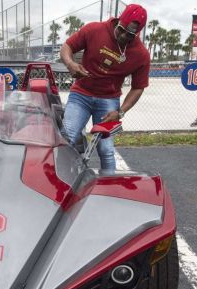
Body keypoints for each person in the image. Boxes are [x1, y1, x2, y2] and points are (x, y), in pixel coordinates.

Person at [60, 3, 150, 175]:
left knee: (106, 150)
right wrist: (71, 64)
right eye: (121, 29)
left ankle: (110, 192)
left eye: (130, 34)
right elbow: (67, 47)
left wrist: (121, 112)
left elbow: (138, 88)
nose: (123, 36)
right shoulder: (94, 30)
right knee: (67, 138)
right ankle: (61, 181)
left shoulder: (141, 54)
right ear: (119, 21)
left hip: (109, 100)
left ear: (137, 33)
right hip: (81, 94)